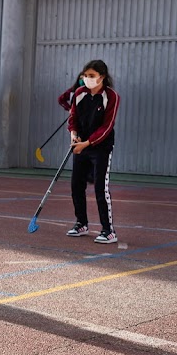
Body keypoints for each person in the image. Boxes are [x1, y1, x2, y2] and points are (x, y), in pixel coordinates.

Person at [67, 59, 120, 244]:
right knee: (76, 185)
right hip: (81, 145)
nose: (87, 79)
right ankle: (81, 223)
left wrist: (88, 143)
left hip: (101, 148)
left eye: (92, 76)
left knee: (100, 188)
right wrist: (74, 135)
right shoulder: (80, 94)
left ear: (102, 77)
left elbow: (107, 127)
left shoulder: (111, 96)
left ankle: (108, 231)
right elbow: (73, 117)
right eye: (85, 76)